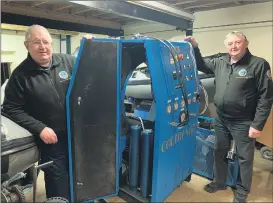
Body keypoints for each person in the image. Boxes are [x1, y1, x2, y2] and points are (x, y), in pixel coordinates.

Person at [2, 24, 95, 201]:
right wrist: (40, 128)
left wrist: (91, 49)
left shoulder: (67, 62)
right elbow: (11, 108)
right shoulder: (20, 76)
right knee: (58, 183)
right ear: (26, 45)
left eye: (46, 42)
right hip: (52, 141)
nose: (43, 47)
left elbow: (91, 73)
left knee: (82, 177)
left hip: (78, 136)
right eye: (36, 42)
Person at [185, 31, 273, 202]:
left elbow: (266, 97)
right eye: (230, 43)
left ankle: (242, 191)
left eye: (237, 42)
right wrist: (195, 47)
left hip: (244, 121)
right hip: (222, 118)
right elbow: (201, 64)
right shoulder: (221, 62)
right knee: (219, 150)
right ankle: (219, 182)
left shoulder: (259, 64)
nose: (233, 46)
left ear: (246, 44)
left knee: (244, 157)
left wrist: (258, 125)